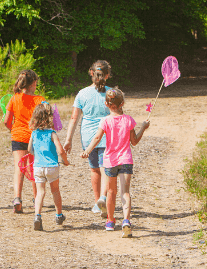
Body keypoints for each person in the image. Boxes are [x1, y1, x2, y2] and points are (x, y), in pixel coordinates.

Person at [81, 88, 150, 237]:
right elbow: (134, 142)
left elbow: (97, 138)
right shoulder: (129, 120)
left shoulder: (105, 121)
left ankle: (111, 221)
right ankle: (126, 221)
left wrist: (88, 150)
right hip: (126, 160)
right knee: (125, 192)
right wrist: (143, 128)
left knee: (111, 192)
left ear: (106, 104)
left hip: (110, 162)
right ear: (122, 103)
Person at [63, 60, 112, 216]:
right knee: (105, 170)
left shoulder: (82, 93)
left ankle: (98, 202)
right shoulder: (112, 93)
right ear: (107, 75)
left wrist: (68, 139)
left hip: (88, 137)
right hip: (106, 135)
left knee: (94, 170)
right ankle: (103, 198)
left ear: (91, 73)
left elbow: (74, 118)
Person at [4, 69, 46, 213]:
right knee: (33, 167)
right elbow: (46, 120)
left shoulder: (14, 98)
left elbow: (6, 121)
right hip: (35, 138)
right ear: (34, 83)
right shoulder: (40, 100)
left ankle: (17, 198)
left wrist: (13, 129)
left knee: (19, 167)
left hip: (18, 136)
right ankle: (36, 199)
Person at [27, 102, 70, 231]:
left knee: (40, 192)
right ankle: (58, 215)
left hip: (38, 166)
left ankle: (37, 216)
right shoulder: (52, 133)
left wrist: (38, 156)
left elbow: (29, 149)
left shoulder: (34, 133)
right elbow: (60, 150)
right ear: (50, 117)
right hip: (51, 166)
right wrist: (65, 160)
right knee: (55, 190)